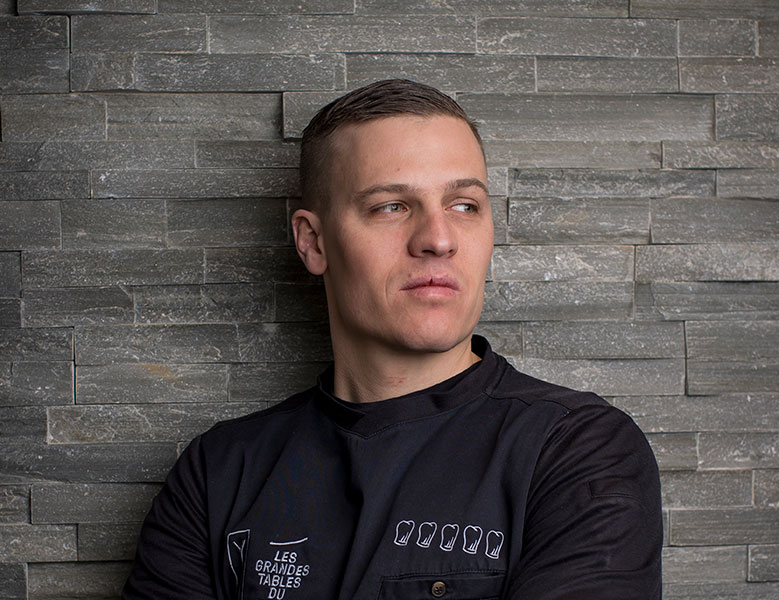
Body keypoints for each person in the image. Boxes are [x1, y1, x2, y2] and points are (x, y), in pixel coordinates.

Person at [122, 79, 662, 599]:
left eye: (464, 205)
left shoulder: (577, 450)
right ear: (313, 242)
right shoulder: (219, 472)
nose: (438, 239)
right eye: (391, 206)